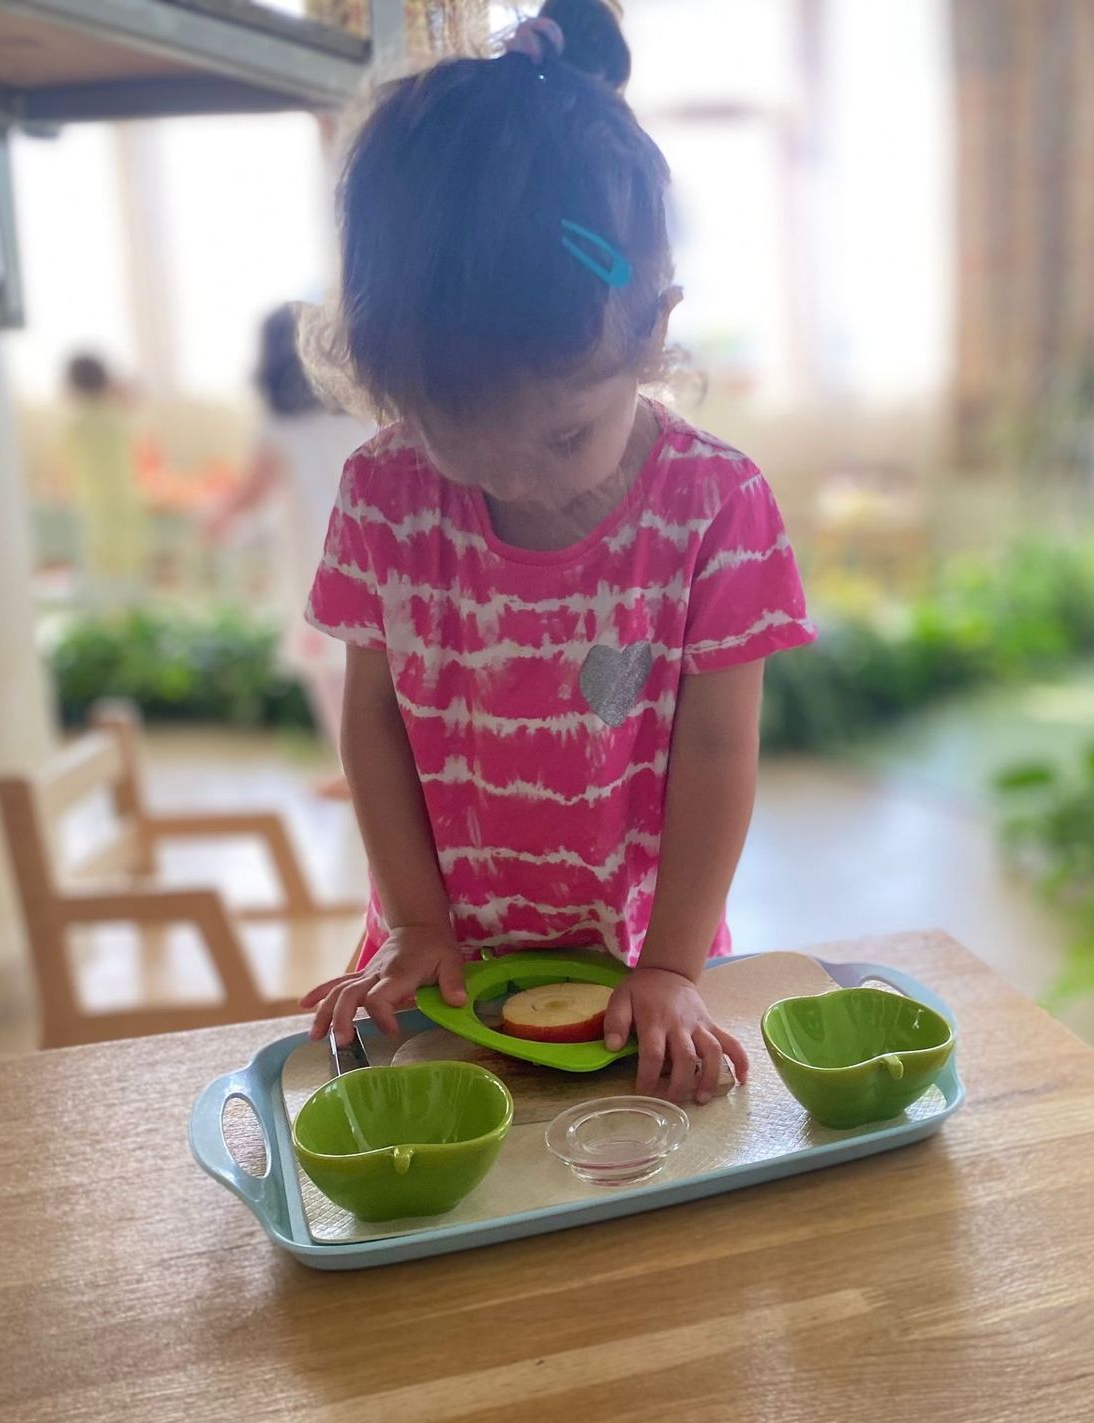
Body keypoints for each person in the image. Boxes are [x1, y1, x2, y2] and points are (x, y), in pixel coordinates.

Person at [297, 0, 817, 1105]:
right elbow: (374, 720)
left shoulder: (715, 507)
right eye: (461, 443)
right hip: (444, 962)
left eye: (566, 434)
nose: (520, 480)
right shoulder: (383, 494)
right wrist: (418, 923)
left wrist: (675, 965)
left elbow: (718, 754)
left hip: (647, 970)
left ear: (655, 328)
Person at [209, 306, 375, 790]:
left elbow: (250, 494)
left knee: (327, 672)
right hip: (366, 554)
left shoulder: (278, 432)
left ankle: (355, 770)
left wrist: (218, 519)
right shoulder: (357, 421)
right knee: (366, 664)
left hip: (314, 562)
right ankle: (376, 767)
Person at [61, 351, 149, 606]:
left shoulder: (75, 425)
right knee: (130, 572)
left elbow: (66, 464)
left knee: (102, 576)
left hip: (94, 508)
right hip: (126, 503)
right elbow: (136, 400)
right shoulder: (117, 418)